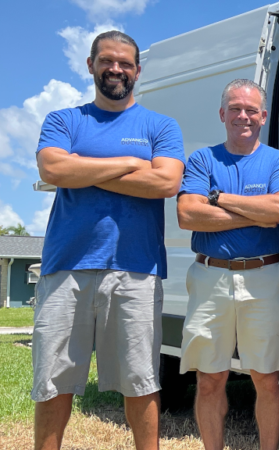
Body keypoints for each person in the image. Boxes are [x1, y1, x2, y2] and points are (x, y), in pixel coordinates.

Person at [33, 30, 186, 450]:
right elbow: (53, 169)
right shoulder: (65, 120)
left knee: (141, 382)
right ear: (90, 65)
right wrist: (130, 163)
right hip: (66, 267)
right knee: (53, 382)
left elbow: (167, 181)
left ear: (138, 70)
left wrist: (85, 167)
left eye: (124, 63)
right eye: (106, 60)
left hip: (136, 269)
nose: (115, 69)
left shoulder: (160, 125)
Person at [176, 78, 279, 450]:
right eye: (235, 109)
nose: (242, 116)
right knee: (210, 379)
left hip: (263, 276)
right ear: (222, 114)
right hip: (210, 276)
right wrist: (256, 214)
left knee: (267, 379)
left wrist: (219, 199)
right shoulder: (201, 159)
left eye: (250, 110)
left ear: (262, 116)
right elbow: (187, 215)